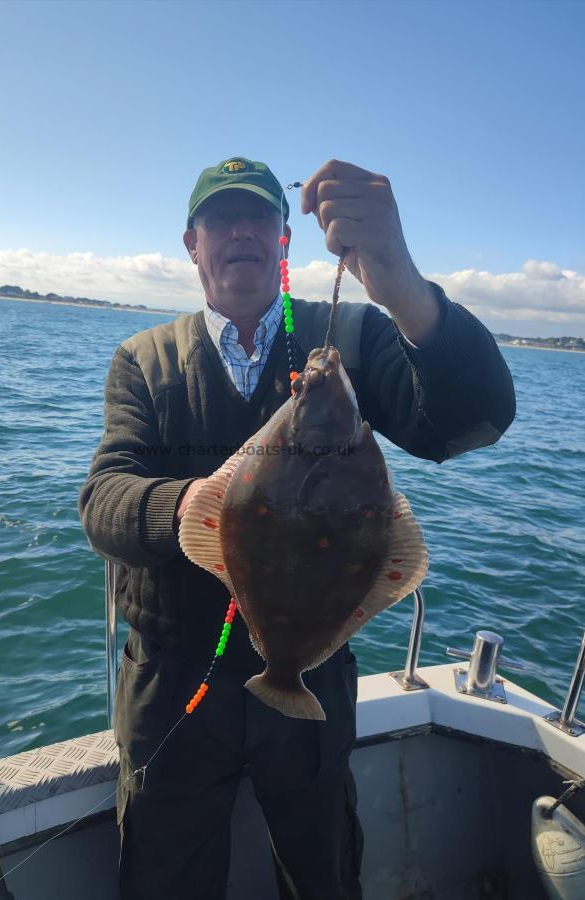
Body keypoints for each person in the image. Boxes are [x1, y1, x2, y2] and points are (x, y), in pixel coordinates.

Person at [78, 157, 516, 900]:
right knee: (164, 877)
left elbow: (468, 423)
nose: (242, 231)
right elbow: (104, 500)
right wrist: (197, 509)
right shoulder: (144, 361)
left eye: (259, 217)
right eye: (221, 218)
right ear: (192, 242)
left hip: (310, 681)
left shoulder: (346, 332)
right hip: (172, 684)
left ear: (284, 238)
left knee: (322, 875)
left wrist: (397, 277)